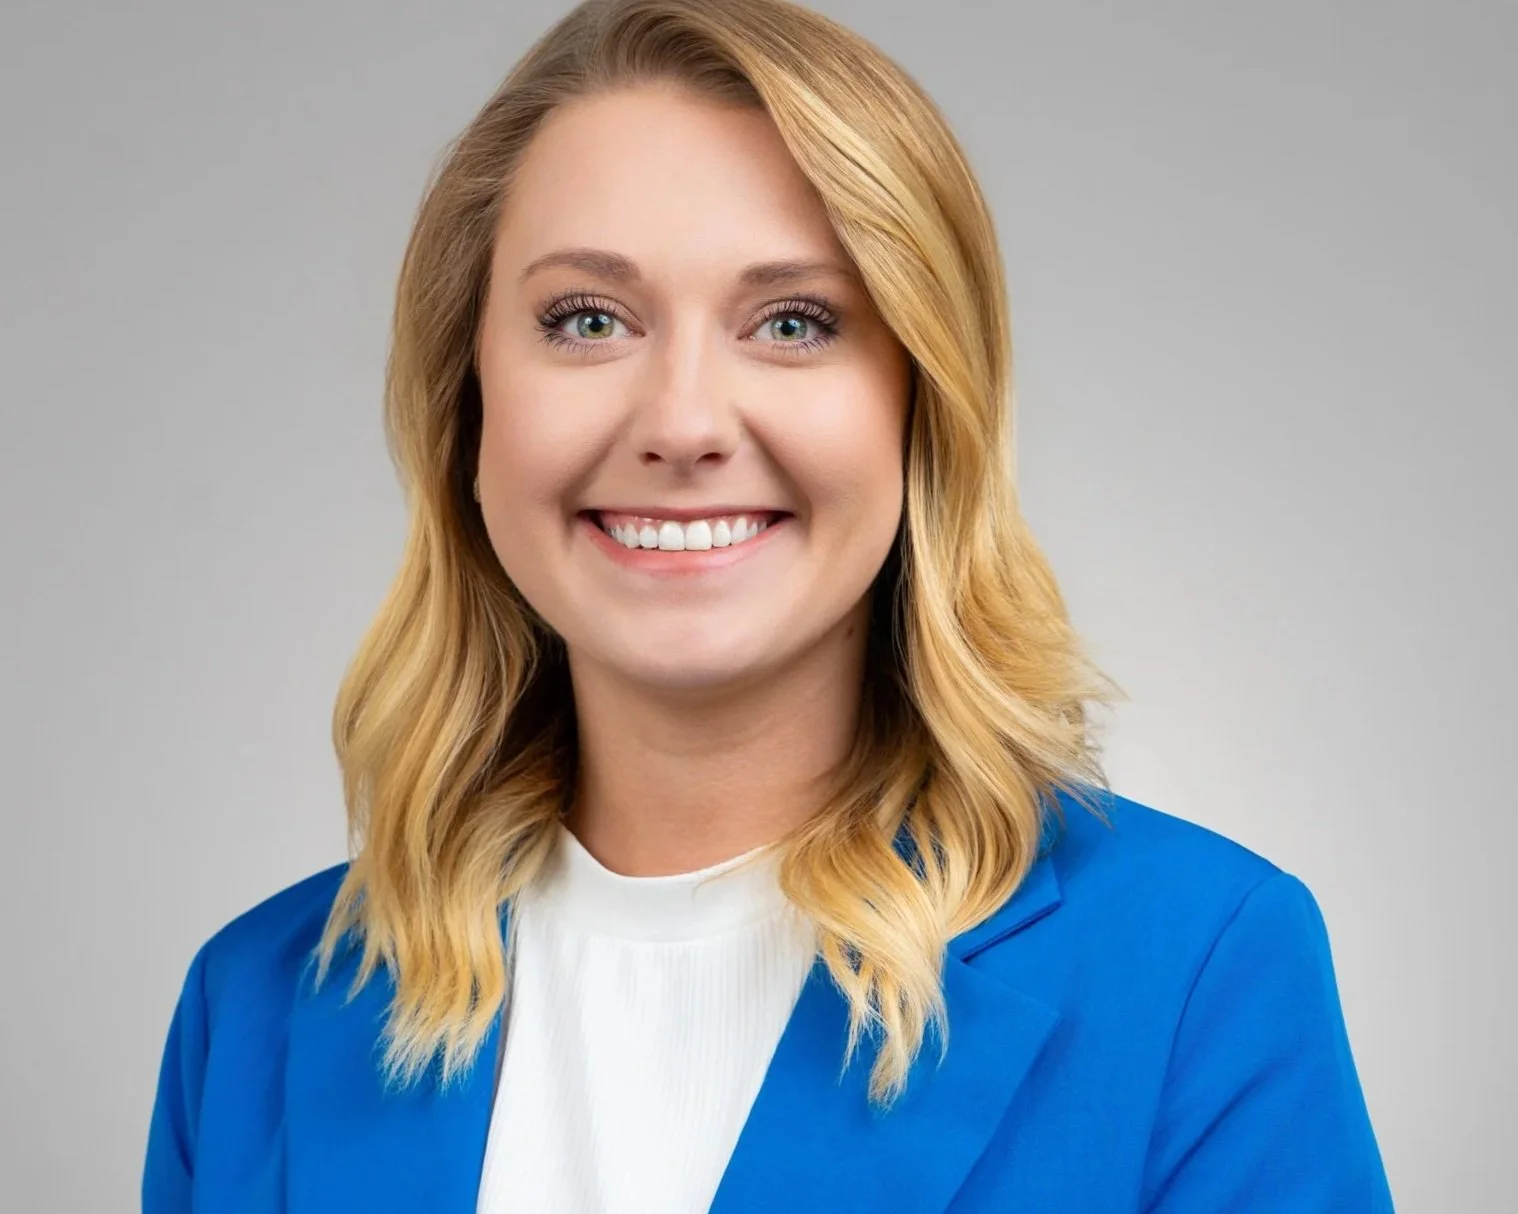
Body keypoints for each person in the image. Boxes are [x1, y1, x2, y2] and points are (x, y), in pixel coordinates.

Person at [142, 0, 1395, 1209]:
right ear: (467, 404)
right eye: (588, 319)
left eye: (793, 321)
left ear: (923, 403)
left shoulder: (1199, 969)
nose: (683, 421)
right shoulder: (250, 1009)